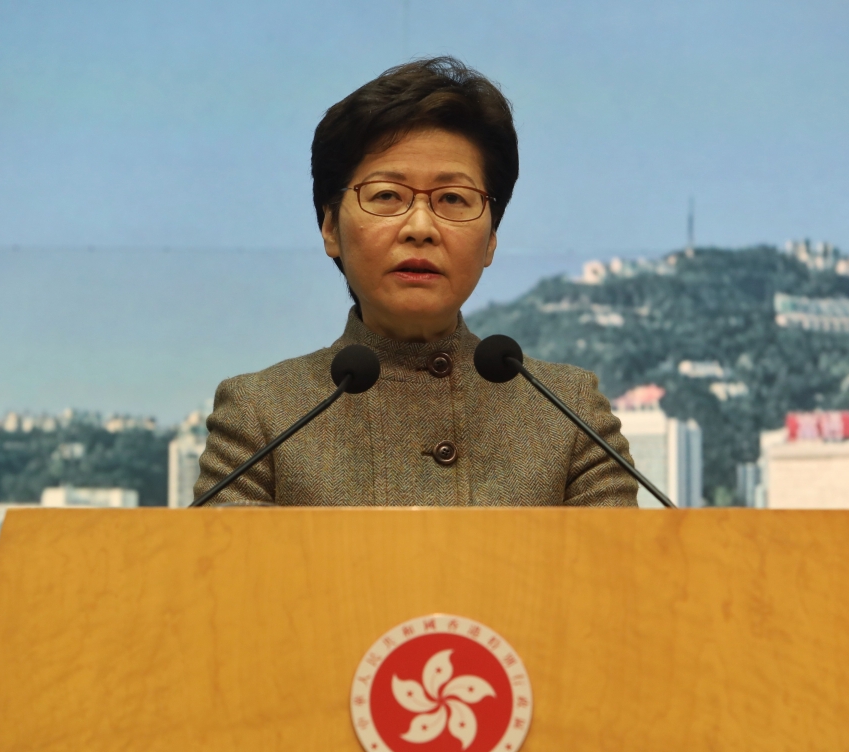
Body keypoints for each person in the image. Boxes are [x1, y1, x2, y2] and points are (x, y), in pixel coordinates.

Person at [194, 57, 639, 507]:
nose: (420, 227)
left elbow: (620, 555)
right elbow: (222, 554)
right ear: (330, 228)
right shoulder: (262, 414)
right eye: (387, 195)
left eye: (453, 198)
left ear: (490, 238)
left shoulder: (569, 414)